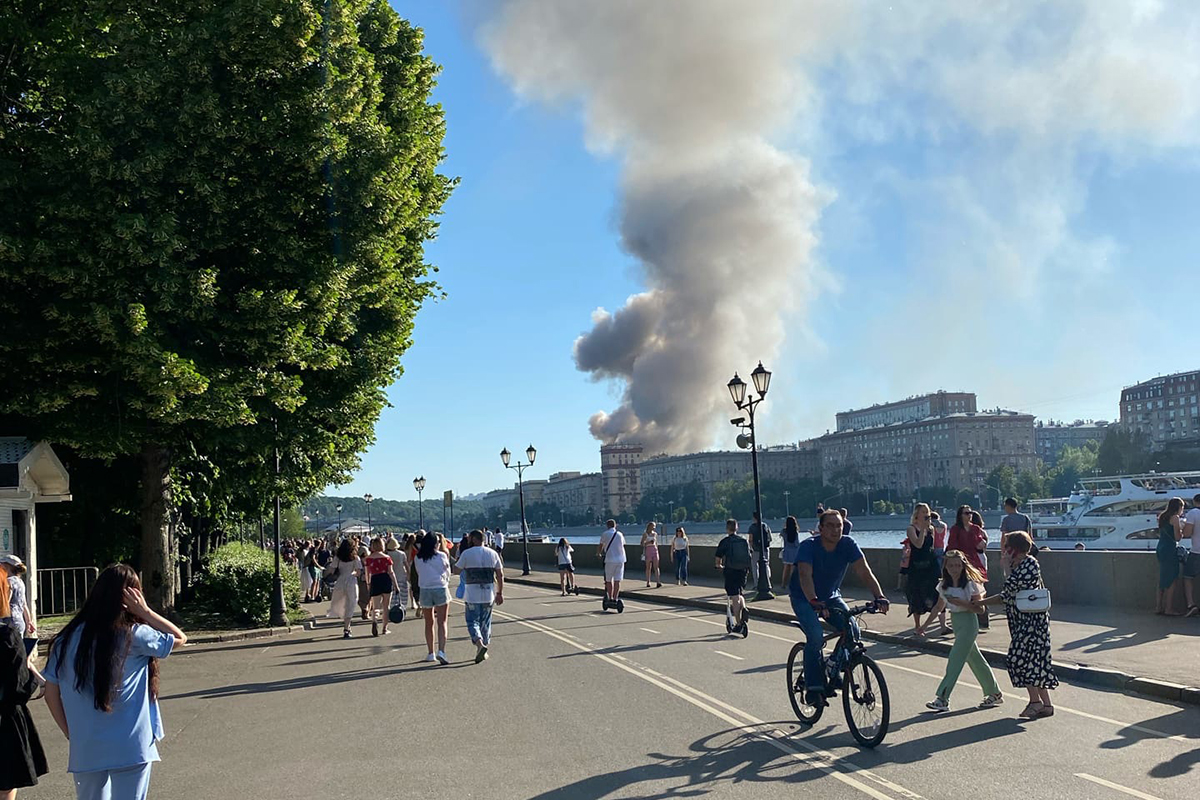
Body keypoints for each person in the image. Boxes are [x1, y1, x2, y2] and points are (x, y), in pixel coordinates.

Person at [43, 564, 187, 800]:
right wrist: (145, 612)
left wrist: (71, 733)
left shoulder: (65, 640)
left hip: (86, 745)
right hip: (132, 744)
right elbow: (179, 638)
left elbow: (50, 694)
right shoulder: (135, 634)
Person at [790, 510, 889, 706]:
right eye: (831, 526)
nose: (836, 530)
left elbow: (864, 571)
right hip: (804, 597)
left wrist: (879, 596)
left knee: (852, 630)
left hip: (832, 596)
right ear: (820, 529)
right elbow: (804, 576)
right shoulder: (808, 546)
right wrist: (814, 601)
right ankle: (813, 687)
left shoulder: (847, 544)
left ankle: (833, 665)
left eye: (839, 526)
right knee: (816, 636)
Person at [979, 531, 1057, 718]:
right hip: (1024, 621)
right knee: (1034, 663)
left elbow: (1007, 592)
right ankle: (1046, 705)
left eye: (1006, 547)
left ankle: (1035, 701)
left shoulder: (1028, 564)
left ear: (1014, 549)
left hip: (1031, 624)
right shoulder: (1022, 564)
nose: (1004, 550)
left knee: (1019, 660)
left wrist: (980, 603)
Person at [920, 550, 1003, 712]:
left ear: (963, 565)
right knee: (975, 660)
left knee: (955, 660)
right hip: (957, 623)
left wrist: (961, 603)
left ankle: (942, 698)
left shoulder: (970, 584)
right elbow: (938, 608)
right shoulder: (943, 585)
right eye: (951, 565)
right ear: (946, 567)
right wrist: (924, 626)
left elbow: (980, 610)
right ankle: (994, 692)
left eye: (958, 565)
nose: (954, 568)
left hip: (969, 622)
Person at [0, 567, 48, 798]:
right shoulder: (7, 635)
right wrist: (34, 678)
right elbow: (17, 687)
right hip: (5, 717)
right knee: (6, 781)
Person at [453, 530, 505, 663]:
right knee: (485, 622)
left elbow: (456, 570)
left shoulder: (467, 553)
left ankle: (479, 644)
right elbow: (500, 575)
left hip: (472, 594)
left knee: (472, 621)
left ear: (474, 539)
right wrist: (499, 593)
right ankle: (484, 645)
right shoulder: (493, 553)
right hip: (488, 594)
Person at [947, 505, 989, 629]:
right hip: (961, 563)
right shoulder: (955, 529)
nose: (969, 515)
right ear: (960, 515)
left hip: (975, 562)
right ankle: (968, 619)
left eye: (970, 513)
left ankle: (983, 620)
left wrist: (983, 542)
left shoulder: (975, 528)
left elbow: (979, 544)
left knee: (979, 590)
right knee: (964, 590)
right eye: (966, 513)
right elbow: (951, 546)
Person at [905, 503, 941, 637]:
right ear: (917, 514)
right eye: (923, 512)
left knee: (935, 591)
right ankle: (917, 625)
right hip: (917, 565)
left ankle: (937, 624)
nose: (926, 514)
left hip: (930, 564)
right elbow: (918, 544)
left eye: (927, 511)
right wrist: (923, 531)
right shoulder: (911, 528)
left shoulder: (931, 528)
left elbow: (932, 546)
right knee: (917, 593)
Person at [415, 532, 451, 664]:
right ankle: (442, 651)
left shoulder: (418, 557)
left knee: (428, 622)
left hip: (425, 589)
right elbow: (447, 572)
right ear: (436, 544)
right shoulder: (441, 555)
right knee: (442, 622)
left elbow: (419, 572)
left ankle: (431, 653)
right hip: (440, 587)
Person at [714, 519, 751, 636]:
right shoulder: (743, 541)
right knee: (740, 594)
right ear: (737, 528)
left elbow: (718, 558)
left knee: (734, 597)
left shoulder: (725, 542)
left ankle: (739, 624)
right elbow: (748, 556)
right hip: (743, 571)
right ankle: (744, 608)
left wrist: (719, 566)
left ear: (727, 528)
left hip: (731, 571)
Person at [324, 540, 362, 639]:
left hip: (340, 581)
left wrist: (325, 574)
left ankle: (346, 625)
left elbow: (331, 570)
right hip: (351, 581)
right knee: (351, 603)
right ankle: (347, 627)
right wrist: (351, 573)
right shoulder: (355, 558)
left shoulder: (338, 558)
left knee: (342, 603)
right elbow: (358, 572)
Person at [0, 557, 36, 658]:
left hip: (8, 621)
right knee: (17, 652)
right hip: (19, 621)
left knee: (8, 653)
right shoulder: (20, 582)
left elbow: (5, 602)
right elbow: (24, 604)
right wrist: (29, 621)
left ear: (7, 566)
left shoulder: (8, 582)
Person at [1154, 497, 1185, 616]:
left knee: (1162, 578)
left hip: (1161, 547)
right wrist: (1181, 530)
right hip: (1170, 549)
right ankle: (1169, 608)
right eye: (1182, 508)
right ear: (1179, 507)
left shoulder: (1162, 516)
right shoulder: (1175, 518)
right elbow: (1177, 537)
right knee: (1172, 578)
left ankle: (1158, 607)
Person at [362, 538, 394, 637]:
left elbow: (367, 574)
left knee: (375, 606)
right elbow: (391, 572)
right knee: (386, 606)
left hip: (375, 580)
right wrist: (396, 585)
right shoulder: (387, 558)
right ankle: (385, 628)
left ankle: (375, 620)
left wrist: (368, 584)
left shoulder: (368, 559)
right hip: (385, 579)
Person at [999, 497, 1033, 577]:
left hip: (1011, 552)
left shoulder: (1006, 520)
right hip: (1024, 551)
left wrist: (1003, 554)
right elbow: (1030, 536)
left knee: (1011, 575)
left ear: (1008, 506)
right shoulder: (1025, 518)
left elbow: (1003, 538)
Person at [597, 520, 626, 606]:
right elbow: (623, 544)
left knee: (609, 580)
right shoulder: (620, 534)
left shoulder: (605, 534)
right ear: (615, 525)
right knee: (617, 580)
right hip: (621, 560)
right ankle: (615, 598)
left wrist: (598, 553)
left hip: (610, 560)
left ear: (607, 526)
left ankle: (609, 597)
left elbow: (601, 545)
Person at [1182, 493, 1200, 617]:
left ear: (1195, 502)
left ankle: (1191, 605)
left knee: (1188, 577)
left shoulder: (1193, 513)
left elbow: (1187, 533)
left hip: (1197, 551)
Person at [748, 511, 772, 588]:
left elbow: (750, 540)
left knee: (755, 567)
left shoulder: (752, 527)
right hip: (765, 549)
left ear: (754, 518)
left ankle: (756, 584)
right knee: (766, 565)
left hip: (755, 549)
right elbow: (770, 538)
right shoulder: (765, 526)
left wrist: (750, 548)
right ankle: (768, 582)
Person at [385, 538, 410, 612]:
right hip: (402, 576)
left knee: (392, 596)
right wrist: (409, 574)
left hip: (390, 578)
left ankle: (392, 609)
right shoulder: (402, 554)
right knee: (403, 595)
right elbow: (406, 565)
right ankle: (402, 608)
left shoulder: (387, 555)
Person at [780, 516, 801, 593]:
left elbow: (782, 538)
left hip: (787, 551)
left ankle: (783, 584)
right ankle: (791, 584)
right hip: (794, 552)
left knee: (785, 569)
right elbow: (797, 544)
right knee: (793, 569)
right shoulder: (795, 532)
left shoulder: (784, 531)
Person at [641, 522, 662, 588]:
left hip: (654, 550)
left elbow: (656, 543)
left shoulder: (655, 534)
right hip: (648, 550)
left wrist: (657, 550)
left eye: (654, 526)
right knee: (648, 567)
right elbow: (642, 543)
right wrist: (648, 542)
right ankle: (648, 581)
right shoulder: (645, 534)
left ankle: (658, 581)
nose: (654, 527)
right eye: (653, 526)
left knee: (656, 567)